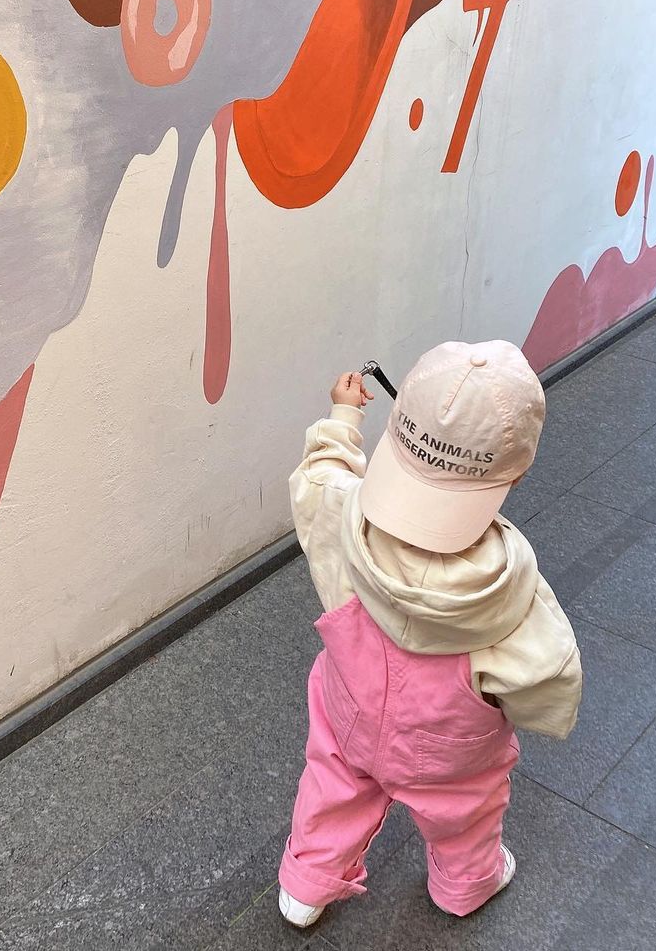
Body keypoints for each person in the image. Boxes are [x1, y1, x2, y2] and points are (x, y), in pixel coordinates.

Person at [279, 340, 581, 927]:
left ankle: (305, 889)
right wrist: (530, 712)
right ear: (517, 474)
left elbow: (320, 477)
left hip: (349, 713)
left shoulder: (342, 515)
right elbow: (548, 681)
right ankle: (464, 888)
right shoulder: (513, 591)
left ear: (396, 434)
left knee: (333, 785)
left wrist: (343, 416)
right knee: (466, 813)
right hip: (451, 749)